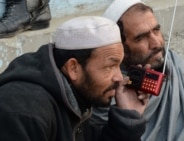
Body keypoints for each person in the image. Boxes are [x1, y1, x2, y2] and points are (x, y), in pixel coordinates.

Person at [89, 0, 184, 141]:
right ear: (120, 46)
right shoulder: (104, 91)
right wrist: (127, 119)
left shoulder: (173, 63)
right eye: (140, 37)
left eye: (156, 30)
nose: (156, 43)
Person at [0, 16, 149, 141]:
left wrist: (127, 119)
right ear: (73, 68)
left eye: (119, 66)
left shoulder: (73, 96)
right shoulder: (24, 113)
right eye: (109, 66)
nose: (119, 77)